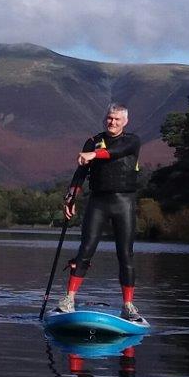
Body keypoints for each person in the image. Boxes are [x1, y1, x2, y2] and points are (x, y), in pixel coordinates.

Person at [56, 103, 144, 322]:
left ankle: (128, 306)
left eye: (116, 119)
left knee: (125, 254)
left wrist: (93, 155)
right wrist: (71, 197)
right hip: (98, 201)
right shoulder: (93, 141)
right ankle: (69, 299)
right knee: (85, 249)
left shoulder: (131, 141)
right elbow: (80, 173)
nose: (112, 122)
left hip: (124, 201)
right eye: (109, 118)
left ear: (125, 121)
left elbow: (115, 152)